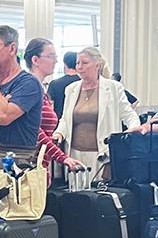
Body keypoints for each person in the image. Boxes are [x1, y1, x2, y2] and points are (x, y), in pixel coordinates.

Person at [54, 46, 142, 179]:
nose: (79, 67)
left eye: (84, 63)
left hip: (102, 154)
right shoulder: (71, 89)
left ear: (97, 65)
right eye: (78, 63)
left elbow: (128, 114)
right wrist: (59, 133)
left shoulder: (113, 88)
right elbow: (65, 119)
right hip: (75, 154)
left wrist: (133, 130)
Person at [0, 25, 44, 162]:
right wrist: (0, 103)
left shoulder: (28, 83)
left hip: (18, 158)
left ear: (12, 48)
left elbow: (2, 117)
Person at [23, 38, 85, 177]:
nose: (55, 61)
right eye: (51, 56)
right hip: (30, 166)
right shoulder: (30, 88)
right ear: (35, 60)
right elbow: (35, 131)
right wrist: (61, 157)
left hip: (40, 165)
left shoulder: (39, 88)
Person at [47, 51, 80, 119]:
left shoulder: (54, 84)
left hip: (59, 123)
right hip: (77, 122)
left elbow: (49, 107)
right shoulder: (82, 83)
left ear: (65, 64)